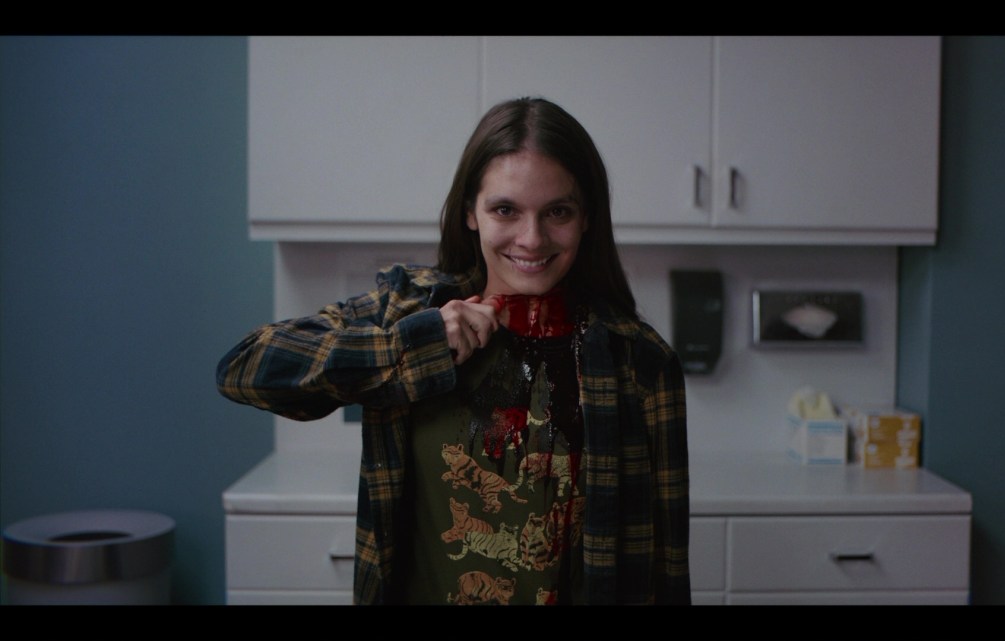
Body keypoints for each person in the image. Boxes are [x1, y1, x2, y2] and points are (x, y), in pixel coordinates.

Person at [216, 97, 690, 605]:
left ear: (587, 217)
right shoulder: (408, 309)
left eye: (558, 211)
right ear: (470, 212)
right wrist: (415, 346)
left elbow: (666, 570)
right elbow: (243, 368)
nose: (532, 239)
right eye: (505, 210)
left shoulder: (638, 362)